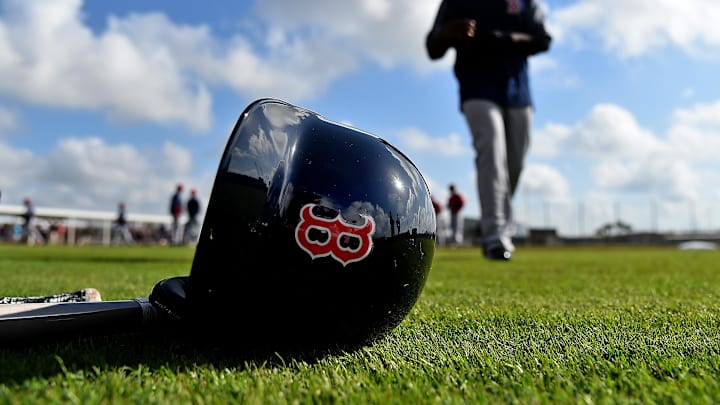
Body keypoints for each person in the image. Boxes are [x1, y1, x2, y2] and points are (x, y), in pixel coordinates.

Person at [426, 0, 552, 260]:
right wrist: (448, 33)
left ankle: (493, 226)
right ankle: (496, 237)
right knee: (491, 152)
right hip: (477, 87)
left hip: (518, 92)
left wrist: (506, 39)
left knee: (514, 163)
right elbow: (433, 47)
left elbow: (543, 40)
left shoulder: (527, 3)